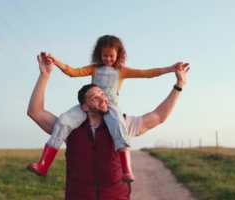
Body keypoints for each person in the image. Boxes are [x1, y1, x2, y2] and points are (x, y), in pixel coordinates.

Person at [27, 52, 189, 199]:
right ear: (84, 106)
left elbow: (159, 116)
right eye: (94, 98)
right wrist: (45, 75)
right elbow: (35, 112)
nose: (103, 99)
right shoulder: (70, 127)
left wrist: (179, 85)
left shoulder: (123, 124)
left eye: (102, 95)